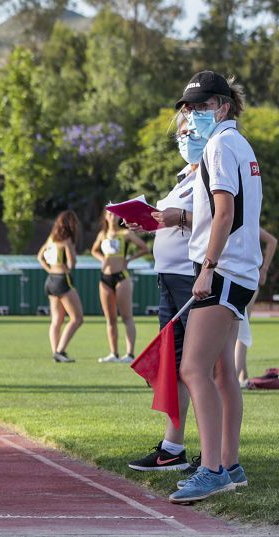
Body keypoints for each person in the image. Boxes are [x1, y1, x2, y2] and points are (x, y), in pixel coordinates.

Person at [170, 71, 262, 503]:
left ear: (223, 106)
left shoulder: (220, 145)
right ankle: (229, 464)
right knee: (224, 371)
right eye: (189, 107)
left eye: (201, 106)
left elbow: (224, 213)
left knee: (193, 369)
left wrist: (206, 266)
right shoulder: (238, 144)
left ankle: (211, 469)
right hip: (237, 270)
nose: (192, 114)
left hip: (222, 269)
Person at [127, 114, 199, 472]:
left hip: (192, 277)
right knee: (177, 367)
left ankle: (217, 455)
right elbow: (178, 221)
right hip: (169, 278)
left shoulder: (215, 169)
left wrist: (177, 219)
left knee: (202, 367)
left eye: (189, 131)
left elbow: (225, 220)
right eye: (181, 133)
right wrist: (149, 221)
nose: (184, 137)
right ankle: (173, 448)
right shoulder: (185, 176)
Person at [91, 211, 149, 363]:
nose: (112, 217)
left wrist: (129, 259)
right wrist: (102, 259)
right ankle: (113, 353)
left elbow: (144, 248)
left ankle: (129, 354)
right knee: (110, 318)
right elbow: (93, 250)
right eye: (109, 214)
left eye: (115, 214)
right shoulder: (102, 235)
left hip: (121, 277)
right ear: (105, 217)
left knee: (126, 316)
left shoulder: (125, 234)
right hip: (105, 278)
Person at [36, 210, 84, 363]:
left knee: (56, 320)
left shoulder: (51, 239)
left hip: (50, 280)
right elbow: (72, 262)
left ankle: (55, 352)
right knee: (77, 318)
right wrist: (69, 264)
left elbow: (39, 256)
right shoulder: (67, 240)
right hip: (63, 280)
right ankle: (60, 350)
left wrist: (50, 269)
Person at [234, 228, 277, 387]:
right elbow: (272, 241)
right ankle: (242, 374)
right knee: (240, 328)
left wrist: (264, 269)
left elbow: (272, 241)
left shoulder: (244, 220)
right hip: (243, 278)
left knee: (239, 328)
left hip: (244, 279)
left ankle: (237, 376)